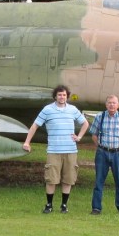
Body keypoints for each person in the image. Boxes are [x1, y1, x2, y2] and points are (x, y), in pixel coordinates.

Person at [22, 85, 89, 213]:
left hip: (70, 150)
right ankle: (49, 205)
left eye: (64, 95)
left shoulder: (73, 109)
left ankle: (64, 205)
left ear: (67, 96)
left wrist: (79, 137)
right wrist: (27, 142)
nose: (62, 97)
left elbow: (85, 123)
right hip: (53, 150)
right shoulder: (47, 110)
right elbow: (35, 126)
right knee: (51, 179)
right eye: (59, 95)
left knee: (68, 179)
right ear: (55, 96)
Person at [89, 95, 119, 215]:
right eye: (109, 103)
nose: (112, 105)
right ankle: (96, 208)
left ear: (118, 105)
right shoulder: (99, 117)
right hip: (102, 152)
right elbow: (94, 135)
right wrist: (100, 147)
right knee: (98, 181)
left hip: (118, 153)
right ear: (106, 105)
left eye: (114, 103)